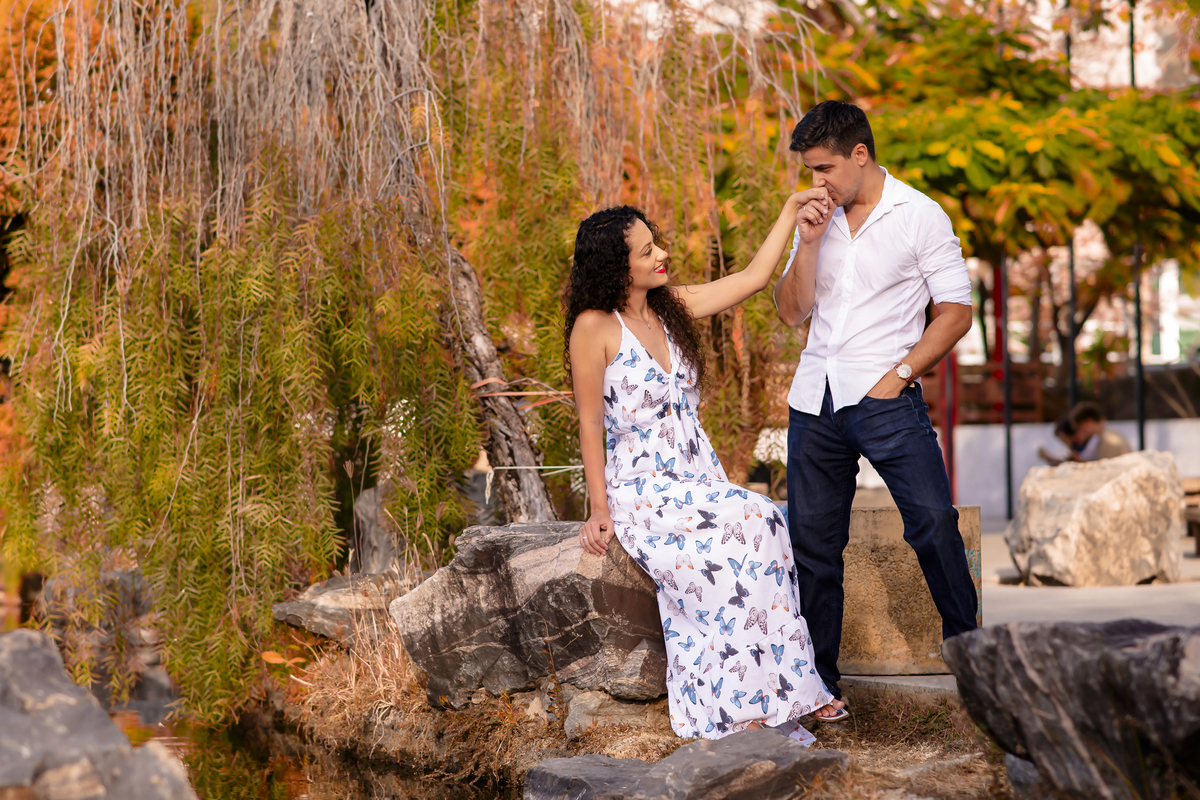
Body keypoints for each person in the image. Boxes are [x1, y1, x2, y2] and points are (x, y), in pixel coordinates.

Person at [565, 196, 845, 739]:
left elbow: (754, 277)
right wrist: (599, 507)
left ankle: (785, 693)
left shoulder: (671, 306)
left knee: (761, 527)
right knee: (754, 516)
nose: (662, 254)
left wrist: (788, 211)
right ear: (615, 267)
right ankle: (751, 701)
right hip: (643, 489)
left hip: (696, 475)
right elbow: (589, 425)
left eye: (657, 243)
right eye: (647, 252)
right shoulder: (594, 327)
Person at [774, 101, 979, 713]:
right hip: (814, 401)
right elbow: (790, 312)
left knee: (933, 524)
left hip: (886, 399)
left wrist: (902, 373)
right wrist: (807, 244)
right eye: (811, 171)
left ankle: (973, 661)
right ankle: (820, 689)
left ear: (860, 154)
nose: (819, 182)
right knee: (811, 546)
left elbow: (957, 313)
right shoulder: (818, 218)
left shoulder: (919, 215)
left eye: (827, 168)